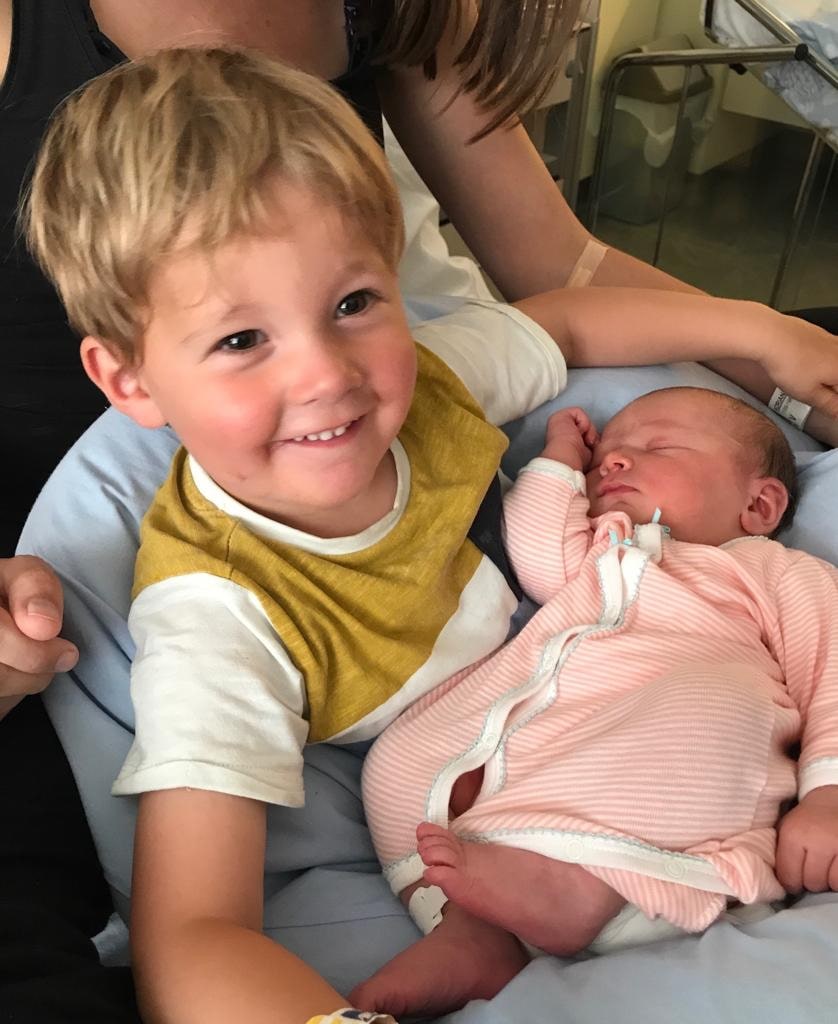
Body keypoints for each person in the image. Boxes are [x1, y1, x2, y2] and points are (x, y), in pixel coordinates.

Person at [22, 45, 838, 1024]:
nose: (328, 375)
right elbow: (192, 928)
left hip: (567, 653)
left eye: (353, 303)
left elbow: (563, 325)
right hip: (450, 781)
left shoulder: (432, 387)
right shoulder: (217, 610)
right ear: (130, 382)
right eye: (242, 340)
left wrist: (757, 331)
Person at [355, 387, 838, 1017]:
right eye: (604, 454)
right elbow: (532, 545)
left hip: (671, 732)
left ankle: (586, 887)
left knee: (707, 709)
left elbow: (831, 673)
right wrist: (560, 457)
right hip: (554, 724)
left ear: (758, 504)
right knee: (398, 760)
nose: (612, 460)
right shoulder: (596, 547)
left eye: (657, 447)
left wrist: (827, 794)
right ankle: (472, 932)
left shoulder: (777, 574)